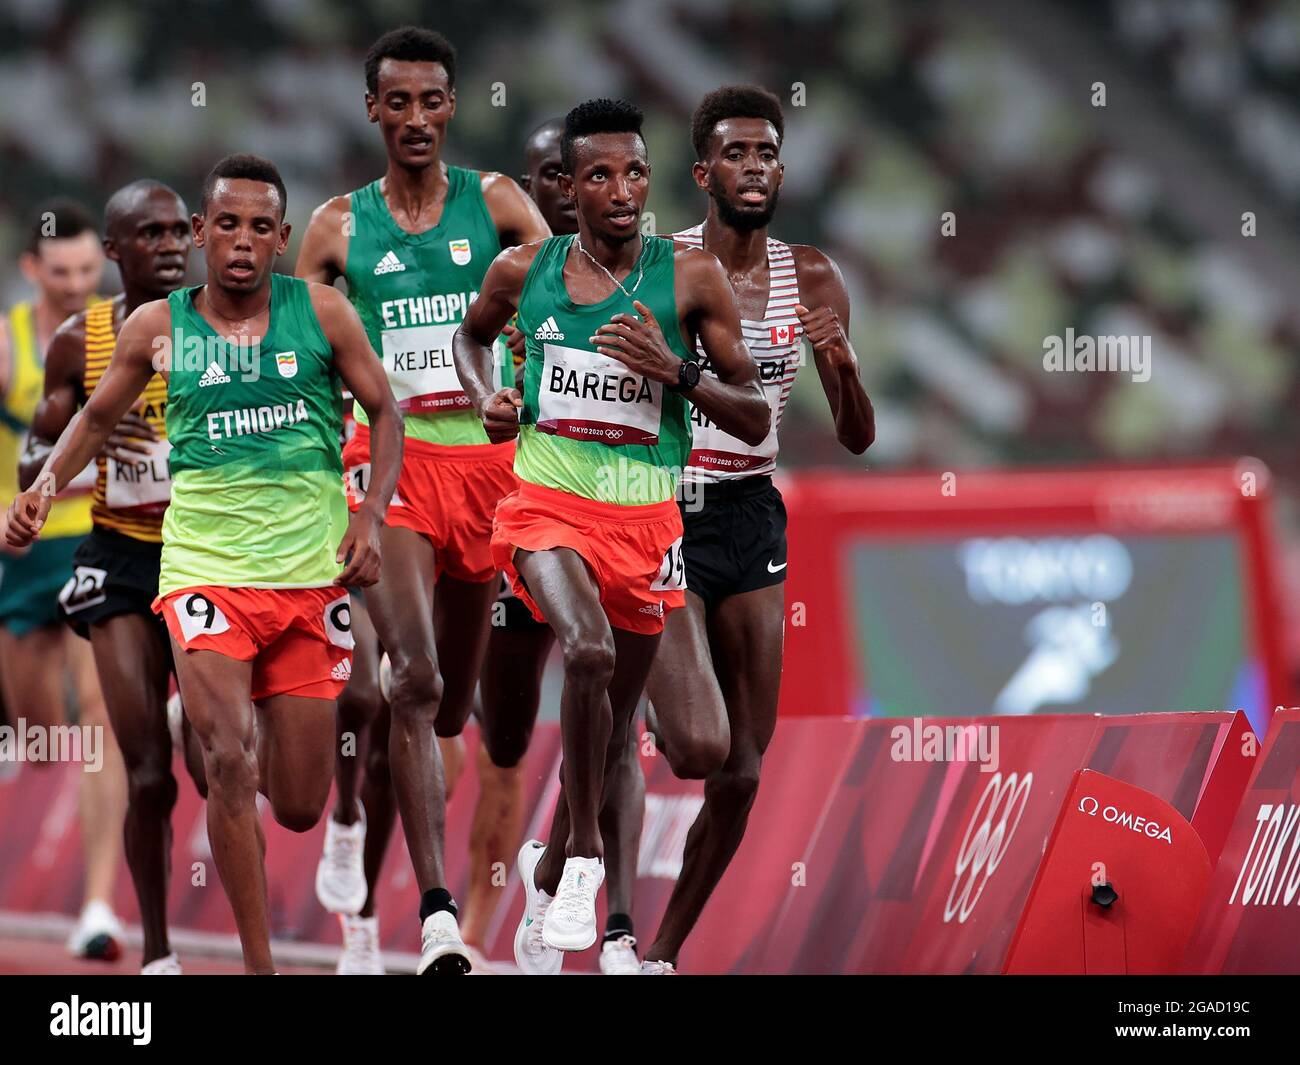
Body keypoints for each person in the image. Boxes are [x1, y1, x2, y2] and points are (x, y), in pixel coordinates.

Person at [4, 154, 404, 976]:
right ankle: (258, 967)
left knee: (296, 804)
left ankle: (218, 721)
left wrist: (369, 516)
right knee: (228, 764)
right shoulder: (156, 329)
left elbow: (386, 410)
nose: (244, 242)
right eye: (227, 224)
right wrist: (45, 486)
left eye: (262, 227)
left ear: (283, 237)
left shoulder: (324, 313)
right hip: (200, 574)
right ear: (202, 234)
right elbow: (92, 416)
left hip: (304, 577)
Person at [452, 98, 769, 972]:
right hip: (546, 506)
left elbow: (751, 417)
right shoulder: (526, 270)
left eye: (634, 172)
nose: (621, 190)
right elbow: (471, 340)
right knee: (587, 654)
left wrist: (678, 372)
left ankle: (546, 868)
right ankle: (587, 857)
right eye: (598, 175)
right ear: (568, 188)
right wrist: (491, 399)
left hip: (647, 522)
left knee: (632, 719)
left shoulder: (691, 278)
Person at [296, 26, 548, 975]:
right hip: (386, 464)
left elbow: (566, 292)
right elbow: (302, 351)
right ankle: (436, 915)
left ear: (452, 106)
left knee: (447, 717)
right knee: (414, 678)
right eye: (394, 102)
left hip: (485, 471)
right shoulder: (334, 228)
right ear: (372, 109)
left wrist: (519, 381)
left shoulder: (498, 204)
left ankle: (360, 806)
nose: (413, 118)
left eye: (430, 101)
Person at [622, 85, 875, 974]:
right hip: (664, 502)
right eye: (736, 153)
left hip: (753, 509)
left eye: (767, 152)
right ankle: (623, 724)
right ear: (702, 173)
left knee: (742, 772)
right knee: (697, 743)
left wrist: (840, 364)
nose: (755, 167)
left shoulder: (811, 276)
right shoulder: (662, 262)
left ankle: (659, 953)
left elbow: (856, 435)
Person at [20, 180, 203, 974]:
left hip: (213, 558)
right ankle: (156, 949)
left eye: (176, 232)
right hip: (122, 555)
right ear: (116, 254)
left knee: (218, 765)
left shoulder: (229, 327)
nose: (169, 246)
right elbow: (37, 453)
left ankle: (193, 714)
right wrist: (59, 468)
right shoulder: (79, 339)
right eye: (149, 234)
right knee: (144, 771)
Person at [0, 200, 128, 960]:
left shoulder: (126, 334)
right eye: (62, 273)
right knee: (41, 737)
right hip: (19, 553)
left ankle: (99, 907)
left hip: (96, 540)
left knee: (99, 732)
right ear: (31, 271)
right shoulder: (11, 345)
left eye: (89, 270)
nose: (78, 284)